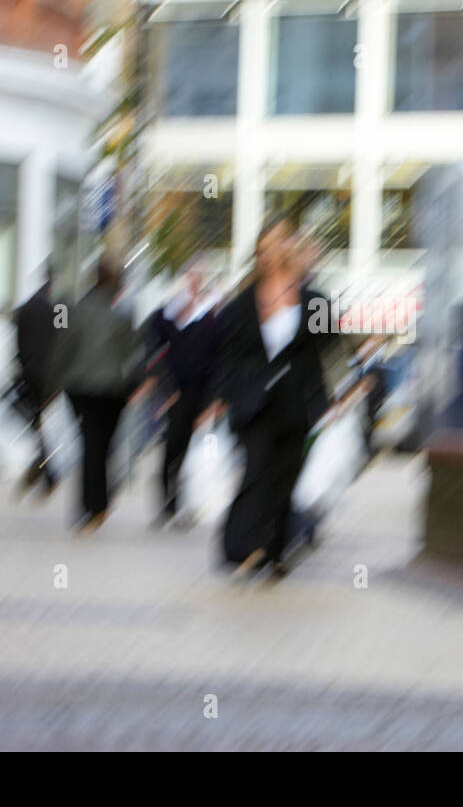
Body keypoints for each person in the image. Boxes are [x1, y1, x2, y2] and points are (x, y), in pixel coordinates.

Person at [207, 217, 335, 578]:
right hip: (253, 404)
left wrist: (335, 398)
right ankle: (243, 547)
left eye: (282, 242)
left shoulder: (315, 303)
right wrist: (219, 396)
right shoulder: (240, 305)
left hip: (297, 404)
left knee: (285, 478)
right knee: (256, 472)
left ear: (293, 245)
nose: (274, 251)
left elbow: (329, 351)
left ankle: (274, 551)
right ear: (258, 254)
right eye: (266, 246)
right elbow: (227, 356)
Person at [48, 258, 147, 533]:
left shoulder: (75, 311)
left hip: (80, 388)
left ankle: (90, 506)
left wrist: (52, 384)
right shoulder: (123, 317)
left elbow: (63, 348)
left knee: (89, 445)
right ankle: (99, 504)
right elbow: (135, 354)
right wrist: (135, 383)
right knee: (104, 446)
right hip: (113, 390)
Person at [143, 262, 220, 528]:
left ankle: (184, 503)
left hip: (200, 394)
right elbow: (149, 350)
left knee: (191, 451)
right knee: (173, 447)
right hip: (174, 395)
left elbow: (217, 360)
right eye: (189, 281)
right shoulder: (165, 317)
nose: (193, 286)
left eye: (197, 281)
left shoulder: (209, 319)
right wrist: (163, 387)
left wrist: (214, 400)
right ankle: (169, 502)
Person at [13, 270, 58, 500]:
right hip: (51, 377)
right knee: (47, 427)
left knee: (38, 425)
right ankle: (46, 471)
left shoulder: (25, 310)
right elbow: (62, 340)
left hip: (30, 374)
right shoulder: (58, 309)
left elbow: (18, 346)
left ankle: (42, 469)